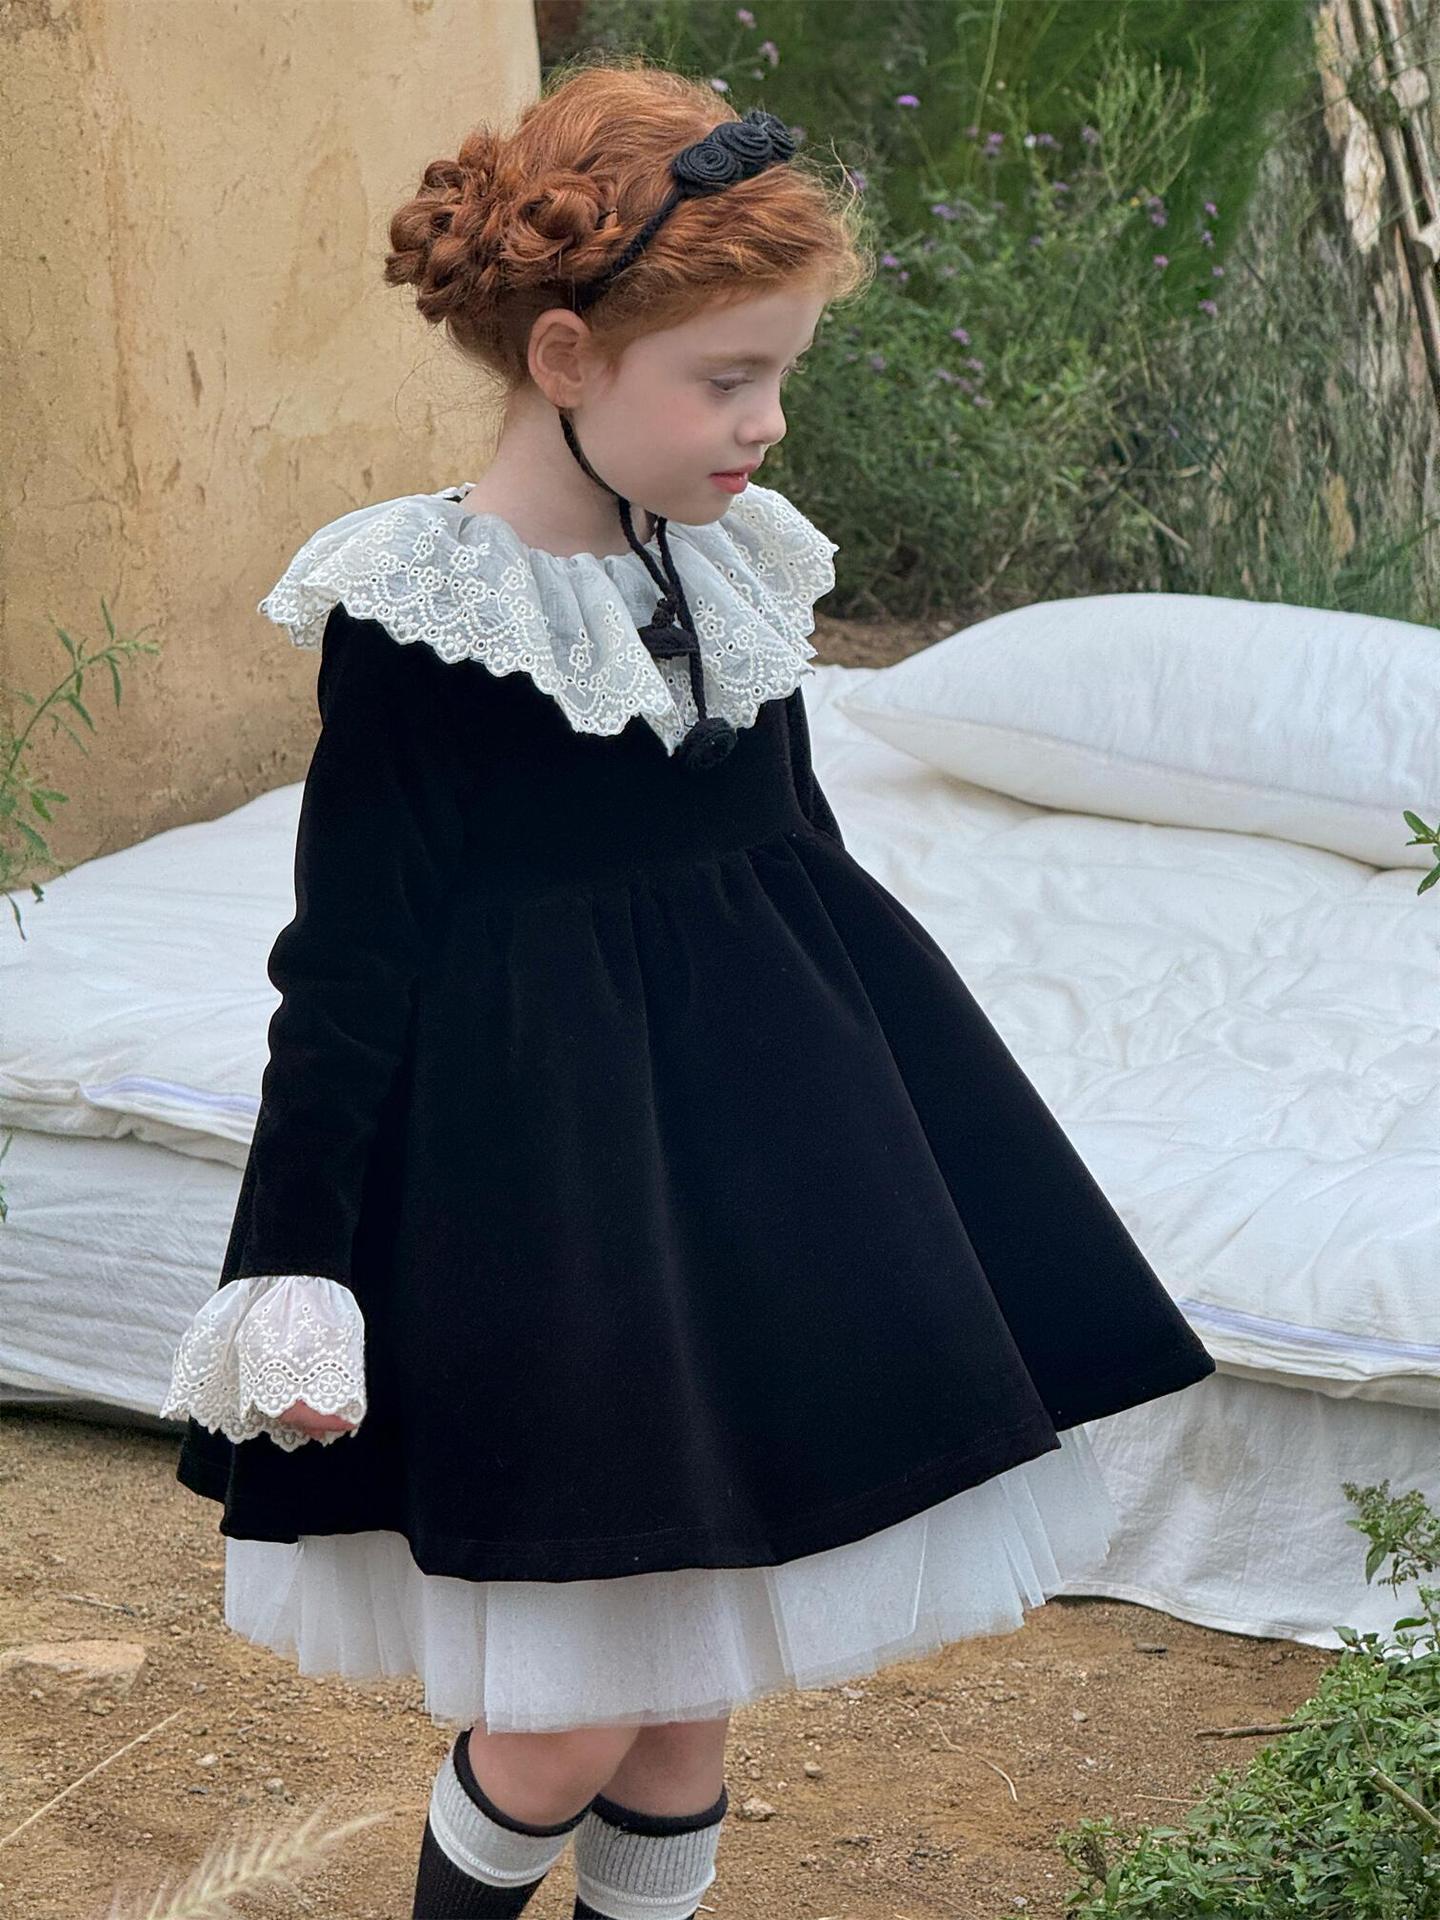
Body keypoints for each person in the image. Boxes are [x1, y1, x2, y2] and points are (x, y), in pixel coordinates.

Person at [160, 55, 1217, 1920]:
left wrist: (902, 1137)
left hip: (735, 1183)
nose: (767, 424)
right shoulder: (423, 619)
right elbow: (346, 959)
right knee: (564, 1722)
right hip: (547, 1204)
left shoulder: (727, 568)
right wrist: (297, 1261)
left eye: (781, 373)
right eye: (725, 379)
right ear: (565, 357)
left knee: (683, 1717)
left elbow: (800, 860)